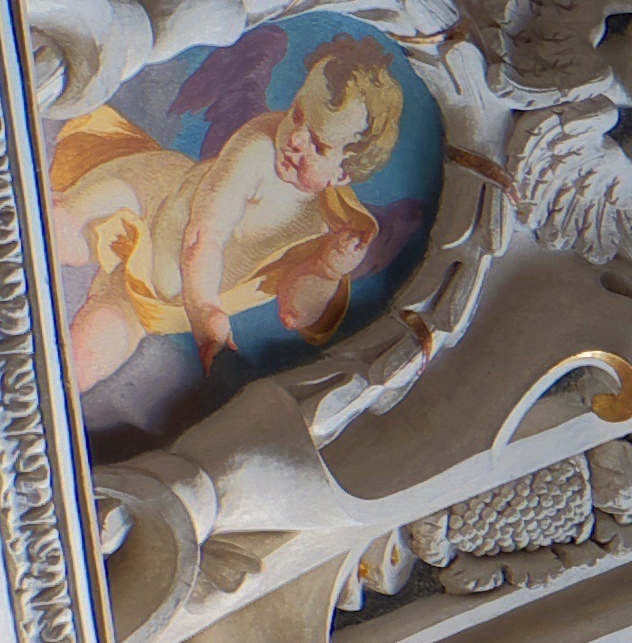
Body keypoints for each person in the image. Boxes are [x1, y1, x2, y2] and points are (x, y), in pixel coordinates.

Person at [48, 33, 414, 386]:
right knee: (70, 229)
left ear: (343, 173)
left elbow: (294, 309)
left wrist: (328, 269)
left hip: (156, 299)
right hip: (148, 201)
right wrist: (204, 310)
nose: (296, 139)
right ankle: (49, 221)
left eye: (318, 144)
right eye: (298, 113)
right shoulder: (259, 148)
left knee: (90, 356)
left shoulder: (329, 221)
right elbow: (204, 233)